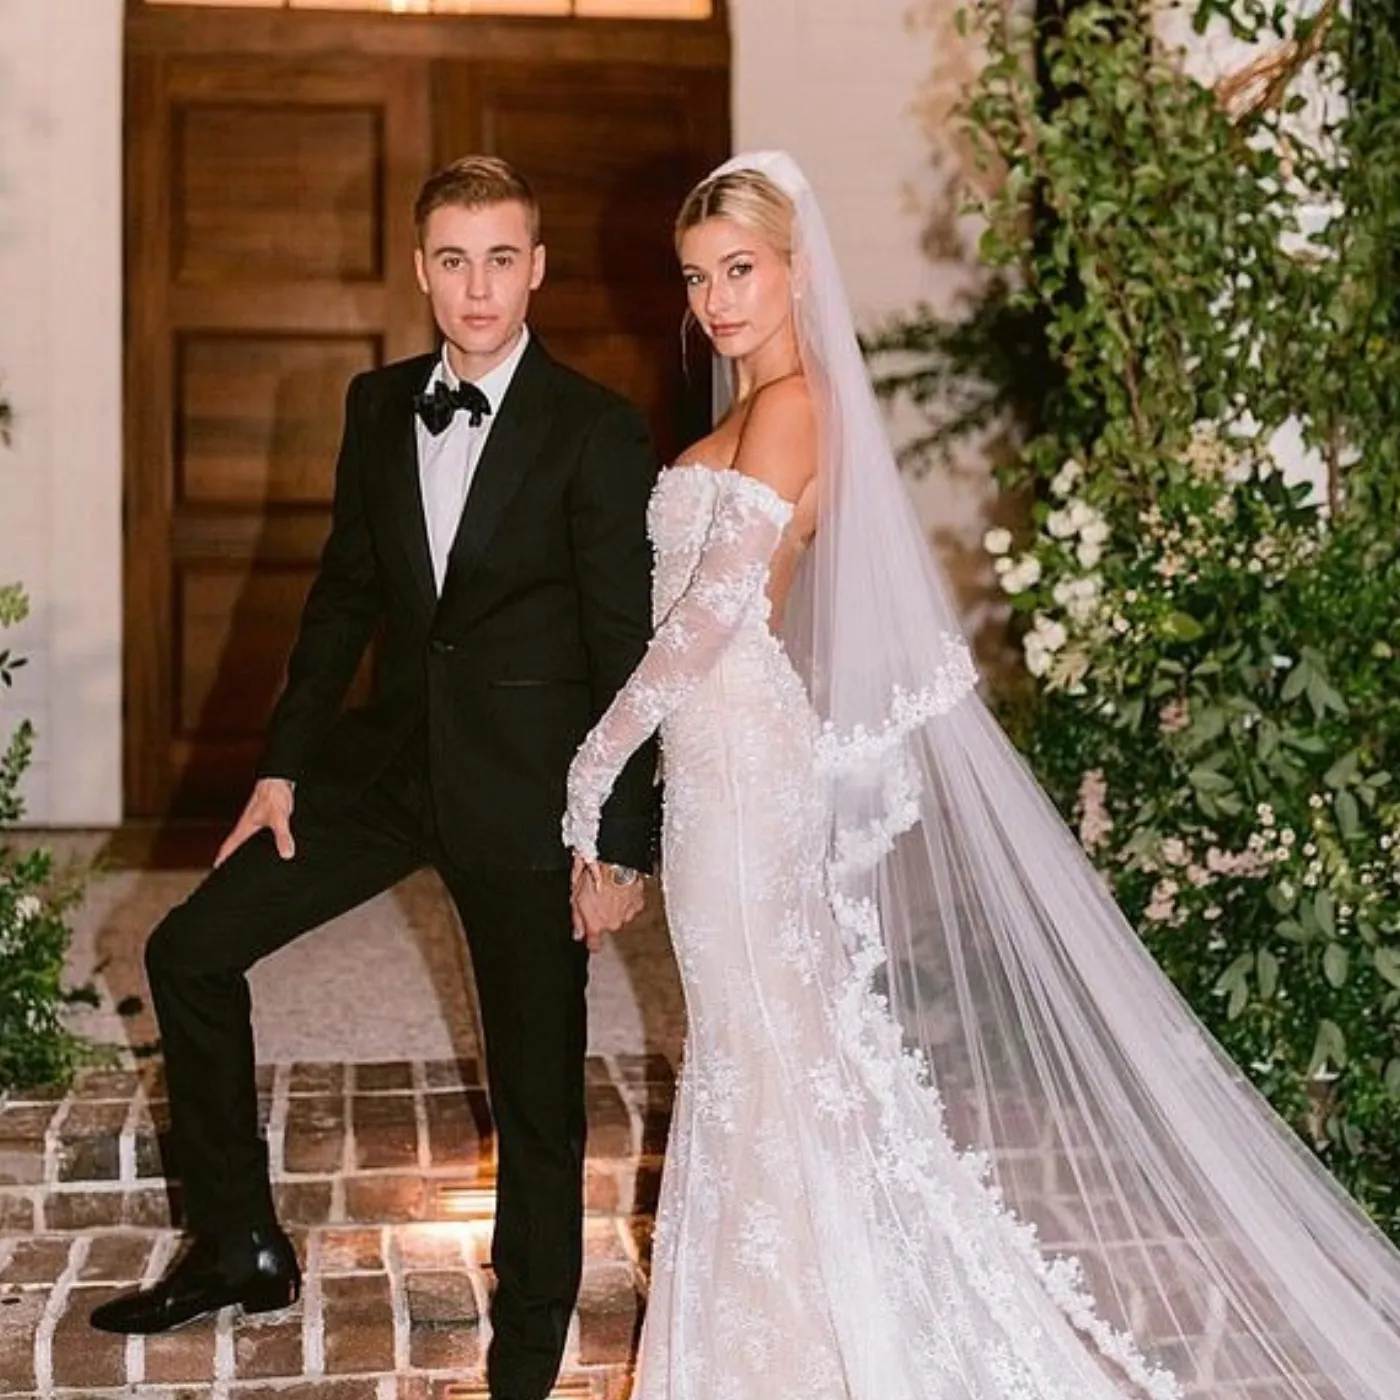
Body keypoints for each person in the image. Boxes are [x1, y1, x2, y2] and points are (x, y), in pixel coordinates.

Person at [561, 151, 1400, 1398]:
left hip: (739, 768)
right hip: (714, 766)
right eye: (696, 278)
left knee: (759, 1046)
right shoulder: (737, 418)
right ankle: (775, 1334)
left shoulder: (792, 408)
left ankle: (794, 1350)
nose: (717, 299)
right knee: (752, 1045)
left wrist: (593, 764)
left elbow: (715, 613)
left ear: (796, 269)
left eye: (739, 269)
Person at [91, 155, 659, 1400]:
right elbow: (344, 595)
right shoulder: (376, 402)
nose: (477, 286)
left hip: (526, 791)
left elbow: (628, 647)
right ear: (419, 269)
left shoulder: (595, 428)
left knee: (536, 1090)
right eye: (453, 259)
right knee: (189, 950)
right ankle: (239, 1242)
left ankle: (526, 1353)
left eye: (500, 258)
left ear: (537, 267)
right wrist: (283, 764)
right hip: (389, 765)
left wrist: (618, 839)